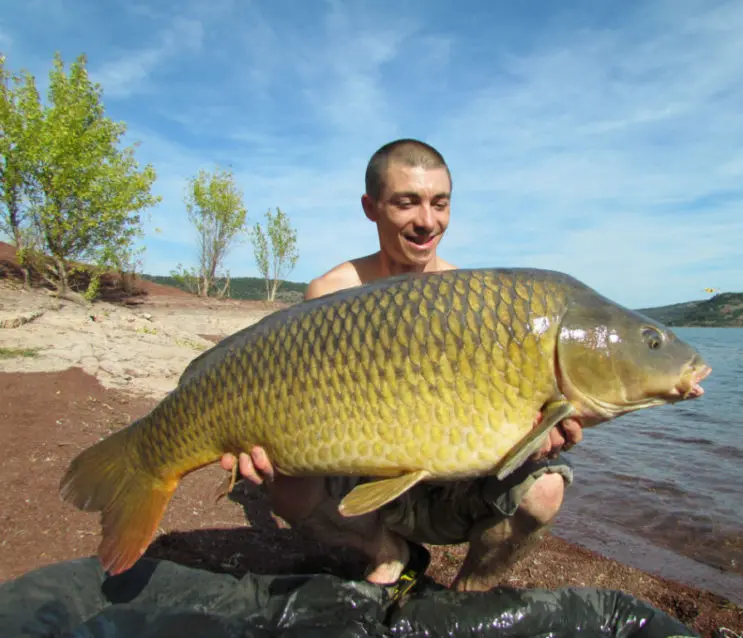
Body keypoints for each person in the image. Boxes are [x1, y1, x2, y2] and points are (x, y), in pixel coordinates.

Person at [220, 139, 584, 594]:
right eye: (406, 203)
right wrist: (254, 441)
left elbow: (479, 423)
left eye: (440, 203)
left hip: (445, 482)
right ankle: (387, 550)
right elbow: (296, 402)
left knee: (545, 489)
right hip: (364, 485)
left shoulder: (465, 299)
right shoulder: (331, 294)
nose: (427, 221)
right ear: (370, 208)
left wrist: (533, 437)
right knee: (287, 486)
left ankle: (468, 596)